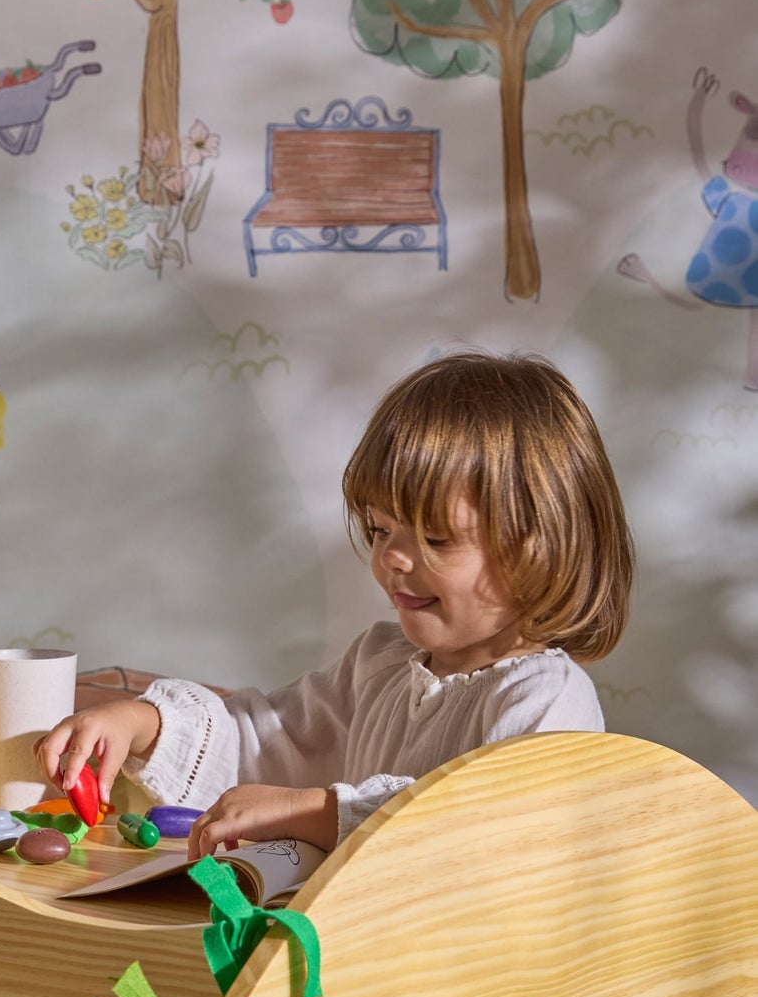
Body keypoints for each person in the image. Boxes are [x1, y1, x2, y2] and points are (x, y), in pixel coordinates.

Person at [36, 351, 634, 862]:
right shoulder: (378, 663)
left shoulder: (547, 697)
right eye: (379, 531)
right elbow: (266, 743)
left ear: (539, 550)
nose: (394, 559)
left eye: (436, 539)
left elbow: (485, 829)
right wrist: (142, 726)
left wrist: (309, 810)